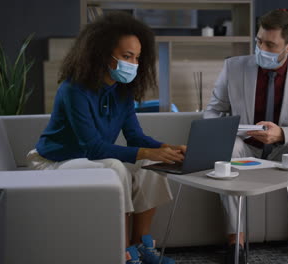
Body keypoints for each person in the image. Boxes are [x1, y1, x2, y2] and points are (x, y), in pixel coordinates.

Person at [27, 12, 185, 264]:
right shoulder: (73, 90)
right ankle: (120, 252)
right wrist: (146, 152)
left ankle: (141, 246)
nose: (133, 63)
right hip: (53, 161)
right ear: (102, 54)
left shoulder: (122, 91)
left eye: (136, 57)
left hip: (88, 160)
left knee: (150, 168)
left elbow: (135, 136)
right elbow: (92, 147)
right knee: (114, 167)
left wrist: (166, 149)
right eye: (126, 56)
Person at [204, 9, 288, 264]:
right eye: (259, 41)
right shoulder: (234, 67)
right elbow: (212, 112)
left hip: (284, 150)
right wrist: (237, 129)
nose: (262, 48)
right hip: (245, 146)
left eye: (270, 44)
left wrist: (283, 133)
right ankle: (236, 240)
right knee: (226, 147)